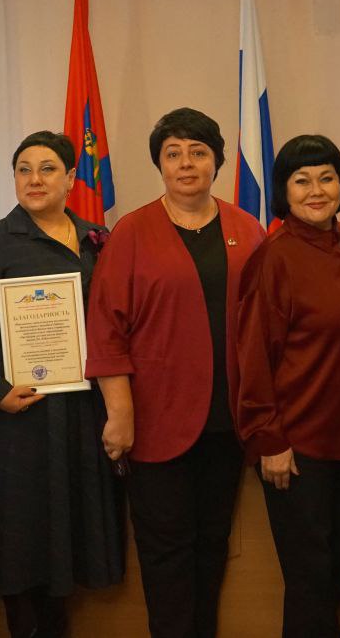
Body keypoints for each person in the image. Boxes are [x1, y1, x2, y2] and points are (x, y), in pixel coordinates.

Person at [86, 107, 265, 638]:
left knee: (212, 548)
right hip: (156, 423)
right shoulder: (133, 232)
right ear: (159, 165)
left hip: (226, 422)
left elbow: (264, 323)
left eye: (198, 152)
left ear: (217, 161)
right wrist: (119, 413)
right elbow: (106, 331)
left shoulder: (246, 228)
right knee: (165, 555)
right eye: (173, 154)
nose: (186, 163)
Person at [0, 131, 124, 637]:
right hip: (17, 414)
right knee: (20, 533)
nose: (34, 179)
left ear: (71, 178)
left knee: (66, 526)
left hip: (79, 411)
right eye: (24, 169)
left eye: (47, 168)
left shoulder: (98, 238)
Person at [236, 134, 340, 637]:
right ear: (284, 192)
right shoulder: (274, 257)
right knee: (309, 582)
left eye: (326, 177)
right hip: (297, 446)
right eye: (301, 181)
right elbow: (253, 355)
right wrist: (269, 440)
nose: (316, 190)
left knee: (338, 571)